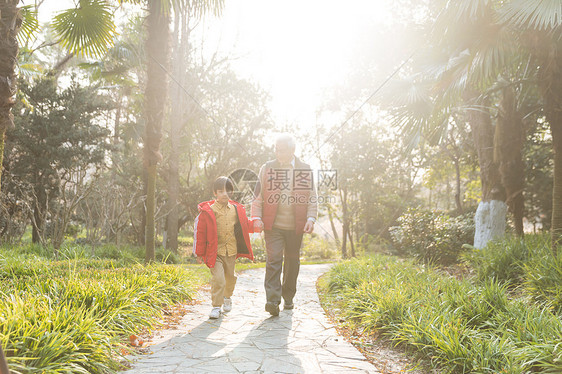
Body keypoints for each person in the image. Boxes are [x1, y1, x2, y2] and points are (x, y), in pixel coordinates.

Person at [252, 134, 318, 316]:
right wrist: (256, 217)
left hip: (296, 226)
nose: (277, 152)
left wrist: (311, 219)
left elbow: (312, 197)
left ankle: (288, 296)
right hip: (273, 225)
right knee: (273, 259)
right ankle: (272, 300)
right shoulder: (267, 168)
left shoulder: (304, 170)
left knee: (292, 262)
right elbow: (258, 196)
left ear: (292, 151)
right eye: (275, 148)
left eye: (281, 149)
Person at [193, 176, 255, 319]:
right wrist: (199, 253)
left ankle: (227, 297)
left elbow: (245, 225)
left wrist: (256, 226)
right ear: (215, 193)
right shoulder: (208, 211)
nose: (224, 194)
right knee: (219, 279)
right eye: (220, 191)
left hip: (231, 251)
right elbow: (200, 233)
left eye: (227, 191)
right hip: (215, 252)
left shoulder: (236, 209)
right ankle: (216, 306)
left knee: (230, 278)